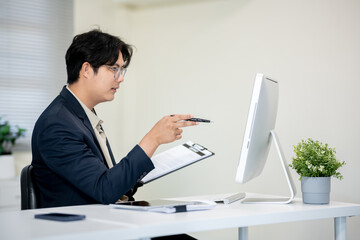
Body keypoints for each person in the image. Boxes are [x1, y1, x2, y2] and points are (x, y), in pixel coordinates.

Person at [31, 29, 198, 209]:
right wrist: (153, 139)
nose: (120, 78)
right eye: (114, 69)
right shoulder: (57, 125)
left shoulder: (81, 115)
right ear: (86, 69)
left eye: (121, 70)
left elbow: (107, 182)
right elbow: (105, 190)